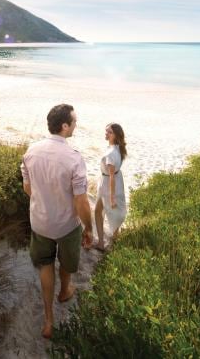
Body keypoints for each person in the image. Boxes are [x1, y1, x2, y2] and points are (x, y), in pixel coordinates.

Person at [20, 104, 93, 339]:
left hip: (40, 222)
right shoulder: (74, 159)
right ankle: (64, 292)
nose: (75, 124)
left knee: (45, 264)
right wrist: (89, 228)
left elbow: (27, 188)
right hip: (66, 224)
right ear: (64, 126)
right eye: (74, 121)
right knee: (67, 262)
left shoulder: (30, 151)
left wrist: (45, 201)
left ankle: (49, 319)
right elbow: (81, 202)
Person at [94, 123, 127, 251]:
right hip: (117, 182)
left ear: (115, 135)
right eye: (106, 131)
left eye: (109, 132)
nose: (106, 133)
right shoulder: (118, 148)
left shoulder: (111, 153)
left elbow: (111, 177)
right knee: (109, 212)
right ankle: (114, 239)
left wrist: (112, 198)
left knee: (99, 211)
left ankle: (102, 243)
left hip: (108, 185)